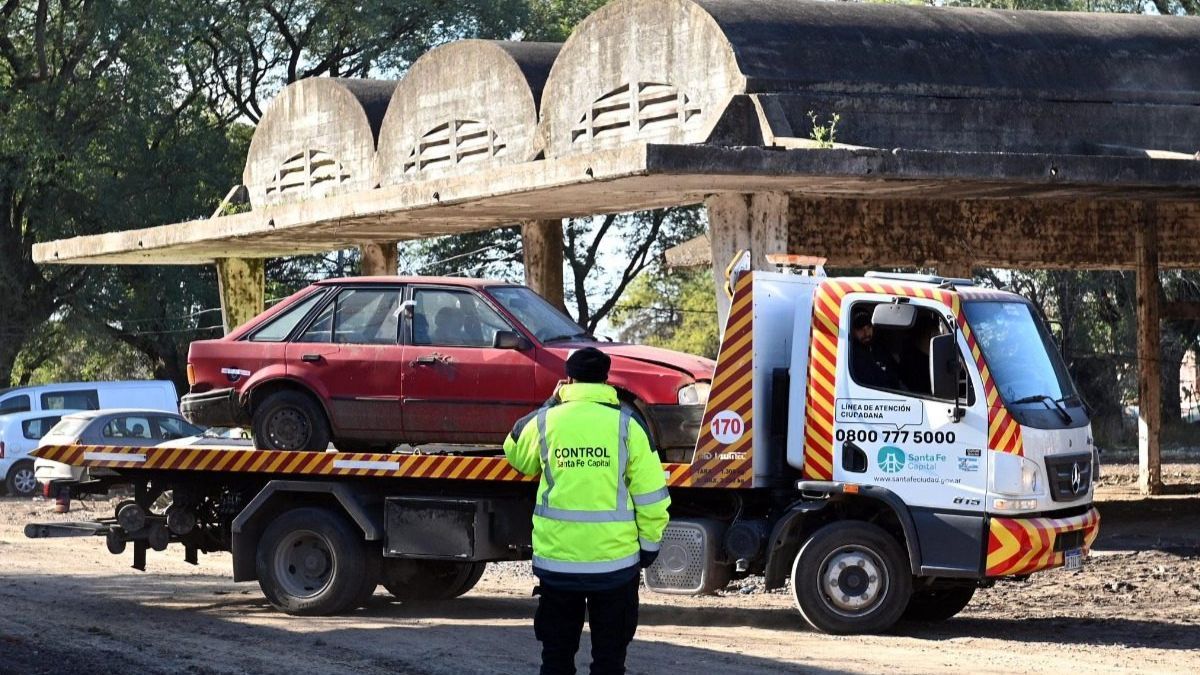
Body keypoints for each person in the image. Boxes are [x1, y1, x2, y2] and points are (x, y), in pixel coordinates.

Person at [503, 347, 671, 675]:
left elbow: (515, 452)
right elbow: (652, 498)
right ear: (606, 380)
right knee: (609, 661)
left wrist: (551, 403)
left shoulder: (548, 420)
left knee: (556, 658)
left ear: (568, 379)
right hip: (615, 568)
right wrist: (648, 548)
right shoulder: (627, 425)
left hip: (559, 566)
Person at [850, 310, 903, 390]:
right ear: (852, 331)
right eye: (860, 329)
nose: (866, 333)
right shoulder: (851, 355)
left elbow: (896, 373)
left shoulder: (879, 348)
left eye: (869, 327)